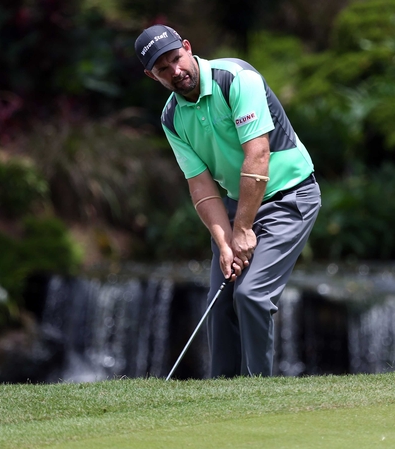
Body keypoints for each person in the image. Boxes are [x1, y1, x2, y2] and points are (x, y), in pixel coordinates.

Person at [135, 25, 321, 378]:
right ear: (151, 75)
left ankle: (257, 390)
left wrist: (244, 229)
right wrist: (225, 242)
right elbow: (202, 187)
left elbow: (258, 156)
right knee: (221, 301)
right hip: (240, 203)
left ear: (188, 48)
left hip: (289, 196)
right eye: (163, 69)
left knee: (250, 296)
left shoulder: (236, 78)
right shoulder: (171, 117)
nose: (176, 71)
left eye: (177, 59)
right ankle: (223, 392)